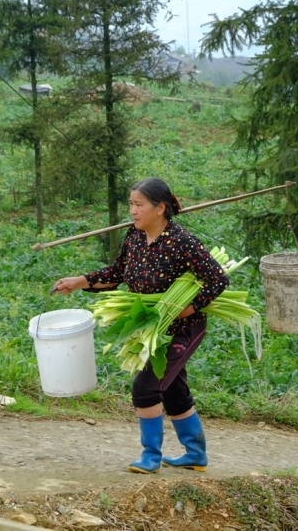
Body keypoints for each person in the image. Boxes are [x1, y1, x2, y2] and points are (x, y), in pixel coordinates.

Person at [53, 178, 229, 474]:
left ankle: (151, 455)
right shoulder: (134, 237)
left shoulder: (181, 241)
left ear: (160, 208)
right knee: (173, 390)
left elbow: (218, 278)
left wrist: (189, 307)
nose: (133, 211)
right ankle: (196, 454)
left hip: (182, 328)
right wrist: (80, 282)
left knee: (145, 388)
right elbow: (117, 272)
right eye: (131, 204)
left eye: (139, 205)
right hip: (153, 325)